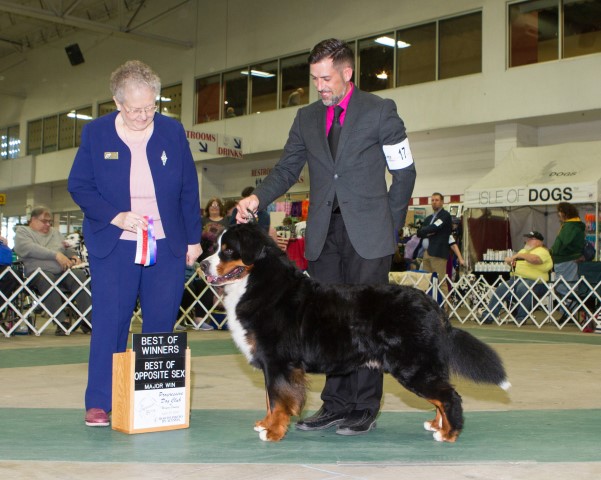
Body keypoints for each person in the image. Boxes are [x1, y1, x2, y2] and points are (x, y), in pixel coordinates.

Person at [235, 38, 416, 436]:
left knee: (368, 323)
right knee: (328, 324)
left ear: (347, 73)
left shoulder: (380, 110)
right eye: (315, 78)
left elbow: (404, 173)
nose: (320, 85)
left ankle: (363, 408)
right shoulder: (306, 118)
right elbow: (286, 170)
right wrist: (256, 197)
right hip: (323, 234)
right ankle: (334, 405)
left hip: (369, 233)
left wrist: (392, 223)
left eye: (326, 77)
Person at [68, 60, 202, 428]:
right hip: (115, 243)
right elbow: (79, 185)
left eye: (152, 106)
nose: (145, 115)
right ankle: (99, 401)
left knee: (160, 324)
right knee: (111, 323)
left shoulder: (172, 132)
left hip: (166, 242)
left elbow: (188, 188)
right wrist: (115, 215)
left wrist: (193, 238)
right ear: (117, 102)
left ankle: (156, 401)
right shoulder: (96, 134)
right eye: (136, 108)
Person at [13, 207, 92, 336]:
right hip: (37, 274)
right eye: (44, 221)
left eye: (49, 221)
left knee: (79, 276)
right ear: (33, 219)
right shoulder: (23, 232)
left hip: (62, 272)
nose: (48, 224)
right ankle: (62, 321)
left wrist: (72, 256)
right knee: (46, 278)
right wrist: (56, 255)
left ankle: (88, 320)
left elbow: (65, 246)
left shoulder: (55, 232)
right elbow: (29, 248)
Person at [480, 231, 553, 325]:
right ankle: (488, 316)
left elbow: (535, 260)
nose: (528, 241)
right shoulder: (523, 251)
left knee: (523, 288)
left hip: (537, 283)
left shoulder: (543, 251)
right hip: (515, 280)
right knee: (501, 288)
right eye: (527, 238)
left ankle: (521, 317)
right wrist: (510, 261)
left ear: (539, 242)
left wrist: (518, 255)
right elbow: (513, 262)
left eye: (531, 239)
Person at [549, 202, 585, 312]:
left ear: (564, 213)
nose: (558, 214)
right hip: (570, 260)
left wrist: (554, 250)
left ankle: (568, 311)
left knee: (562, 287)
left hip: (564, 259)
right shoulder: (576, 225)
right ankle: (569, 312)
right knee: (570, 286)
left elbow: (565, 242)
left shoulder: (569, 226)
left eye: (559, 212)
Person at [417, 193, 453, 300]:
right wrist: (428, 231)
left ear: (442, 202)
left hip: (439, 252)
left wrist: (427, 231)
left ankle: (445, 310)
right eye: (432, 200)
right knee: (427, 282)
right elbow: (419, 232)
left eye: (436, 200)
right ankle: (430, 308)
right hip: (427, 252)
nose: (434, 202)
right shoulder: (428, 218)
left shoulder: (445, 215)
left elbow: (435, 227)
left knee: (441, 281)